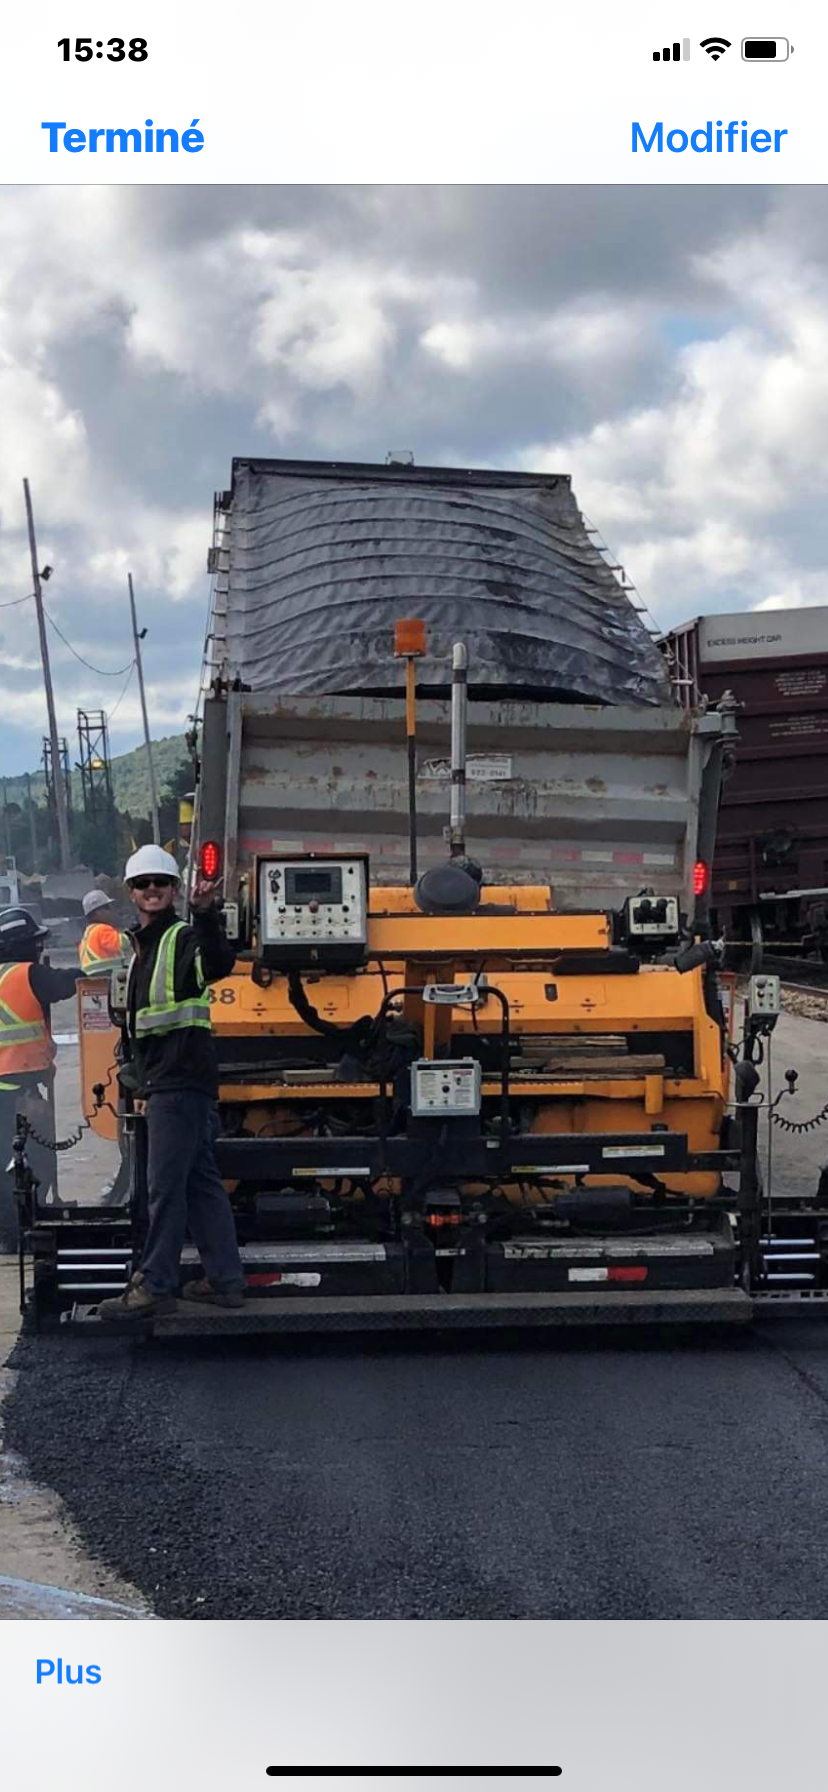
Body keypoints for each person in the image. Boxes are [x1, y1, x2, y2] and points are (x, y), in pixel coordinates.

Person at [98, 845, 244, 1321]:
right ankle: (225, 1281)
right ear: (131, 893)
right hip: (174, 1082)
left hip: (179, 1083)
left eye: (161, 882)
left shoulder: (181, 938)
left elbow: (218, 963)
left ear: (175, 890)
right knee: (200, 1183)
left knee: (163, 1186)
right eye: (144, 884)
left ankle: (156, 1283)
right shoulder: (141, 947)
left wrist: (206, 913)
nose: (153, 889)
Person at [0, 907, 83, 1251]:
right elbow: (67, 984)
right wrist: (89, 974)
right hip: (19, 1089)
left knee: (7, 1160)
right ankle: (21, 1231)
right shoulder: (27, 974)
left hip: (7, 1086)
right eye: (34, 943)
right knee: (36, 1159)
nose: (38, 949)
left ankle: (12, 1231)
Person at [78, 889, 128, 975]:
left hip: (92, 977)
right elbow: (121, 943)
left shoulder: (88, 932)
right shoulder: (102, 929)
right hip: (106, 974)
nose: (111, 911)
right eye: (107, 908)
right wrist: (132, 935)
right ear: (98, 912)